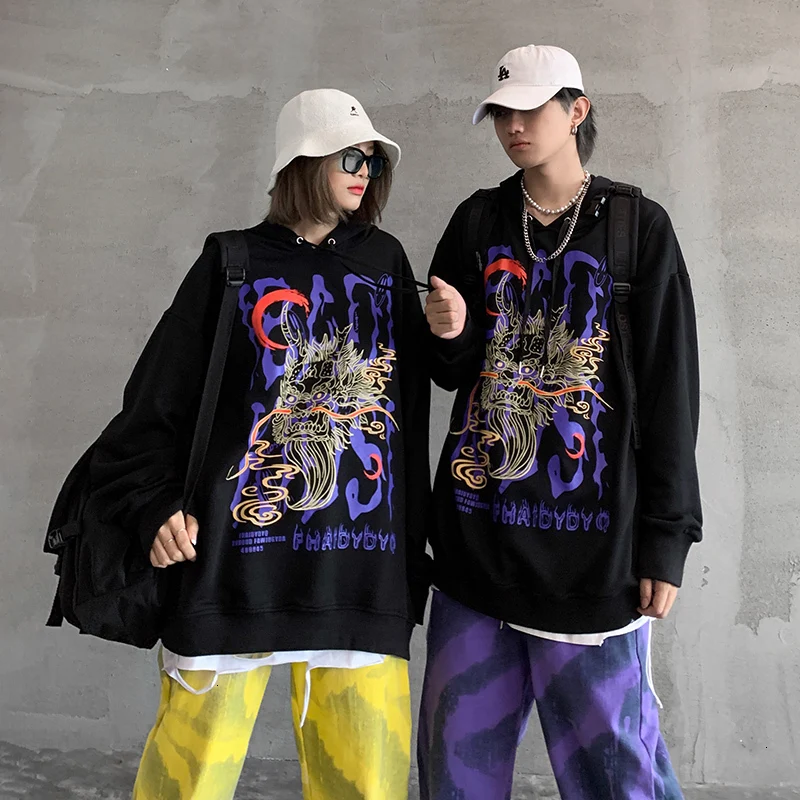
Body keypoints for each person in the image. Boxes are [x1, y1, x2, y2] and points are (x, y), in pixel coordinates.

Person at [89, 88, 431, 800]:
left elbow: (417, 395)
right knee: (188, 781)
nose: (364, 173)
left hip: (359, 577)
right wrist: (155, 507)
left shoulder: (385, 261)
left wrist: (453, 334)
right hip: (230, 572)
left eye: (372, 160)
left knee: (365, 785)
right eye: (349, 157)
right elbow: (153, 403)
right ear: (303, 160)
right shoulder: (232, 261)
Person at [419, 44, 702, 799]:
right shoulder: (477, 221)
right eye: (501, 113)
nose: (512, 126)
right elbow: (451, 372)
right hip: (476, 552)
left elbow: (672, 392)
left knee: (617, 777)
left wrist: (667, 539)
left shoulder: (637, 228)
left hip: (593, 563)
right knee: (455, 775)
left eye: (530, 109)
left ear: (577, 111)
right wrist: (448, 333)